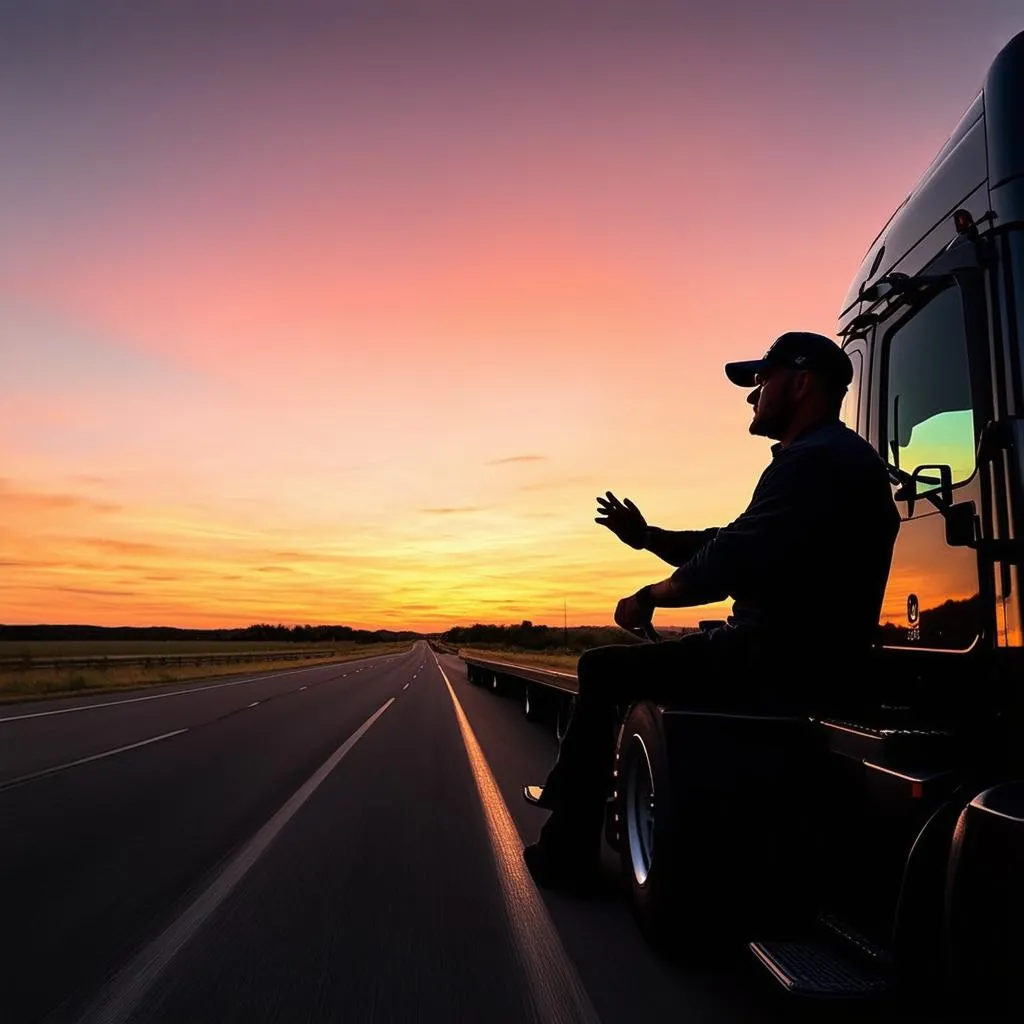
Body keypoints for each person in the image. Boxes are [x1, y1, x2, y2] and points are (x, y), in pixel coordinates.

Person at [521, 331, 901, 889]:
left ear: (800, 384)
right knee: (620, 671)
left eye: (761, 381)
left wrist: (648, 595)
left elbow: (729, 560)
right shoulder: (832, 459)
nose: (751, 396)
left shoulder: (814, 463)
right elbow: (731, 539)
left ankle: (567, 853)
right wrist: (648, 536)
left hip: (775, 657)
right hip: (806, 653)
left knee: (600, 670)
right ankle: (581, 801)